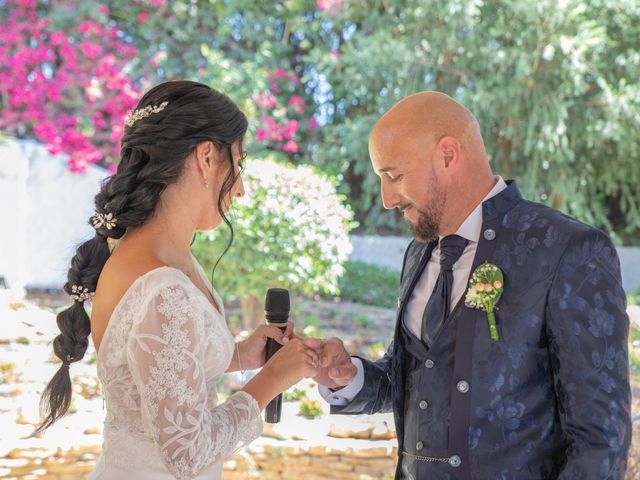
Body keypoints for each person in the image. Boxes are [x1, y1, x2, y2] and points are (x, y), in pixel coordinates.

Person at [313, 92, 632, 479]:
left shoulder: (568, 249)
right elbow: (418, 382)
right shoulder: (418, 255)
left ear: (448, 155)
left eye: (394, 176)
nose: (386, 199)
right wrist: (351, 377)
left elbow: (601, 439)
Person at [35, 80, 319, 480]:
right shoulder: (162, 283)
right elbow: (188, 453)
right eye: (237, 164)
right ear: (206, 157)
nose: (240, 189)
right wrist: (272, 379)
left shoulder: (163, 258)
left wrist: (239, 356)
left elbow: (156, 372)